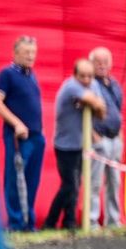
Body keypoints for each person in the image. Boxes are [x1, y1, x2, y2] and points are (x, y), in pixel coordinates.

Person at [44, 59, 106, 230]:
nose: (86, 80)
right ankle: (50, 221)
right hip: (65, 145)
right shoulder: (70, 86)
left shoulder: (93, 85)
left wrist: (96, 103)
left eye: (89, 76)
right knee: (69, 185)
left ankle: (69, 221)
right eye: (82, 76)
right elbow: (95, 102)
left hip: (82, 145)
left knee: (75, 185)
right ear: (74, 75)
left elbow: (102, 111)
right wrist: (94, 102)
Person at [0, 35, 45, 231]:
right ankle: (16, 223)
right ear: (15, 53)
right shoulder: (7, 74)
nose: (31, 56)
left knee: (32, 180)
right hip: (18, 137)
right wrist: (17, 124)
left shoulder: (31, 75)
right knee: (15, 179)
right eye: (26, 52)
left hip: (37, 136)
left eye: (33, 52)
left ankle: (28, 222)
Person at [88, 47, 125, 228]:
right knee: (95, 182)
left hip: (114, 139)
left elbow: (118, 112)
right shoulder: (89, 86)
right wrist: (94, 138)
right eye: (98, 62)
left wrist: (120, 136)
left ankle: (113, 220)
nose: (102, 66)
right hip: (99, 139)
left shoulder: (115, 85)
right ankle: (92, 220)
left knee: (114, 182)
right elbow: (85, 115)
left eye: (105, 62)